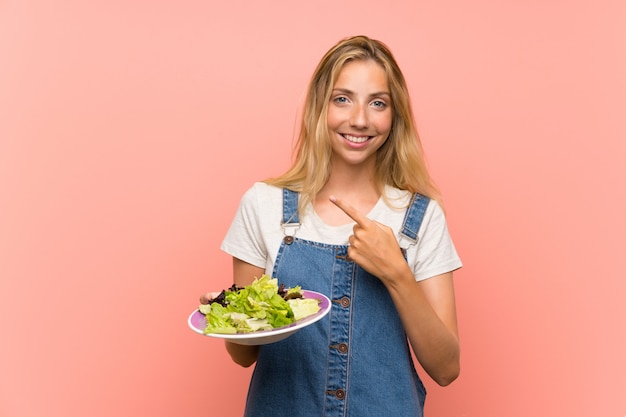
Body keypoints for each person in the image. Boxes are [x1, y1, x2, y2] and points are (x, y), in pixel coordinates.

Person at [201, 35, 462, 416]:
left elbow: (446, 368)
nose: (359, 119)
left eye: (378, 103)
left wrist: (396, 274)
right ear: (319, 108)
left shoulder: (419, 217)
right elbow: (244, 357)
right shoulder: (264, 205)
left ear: (395, 116)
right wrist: (228, 317)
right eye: (343, 99)